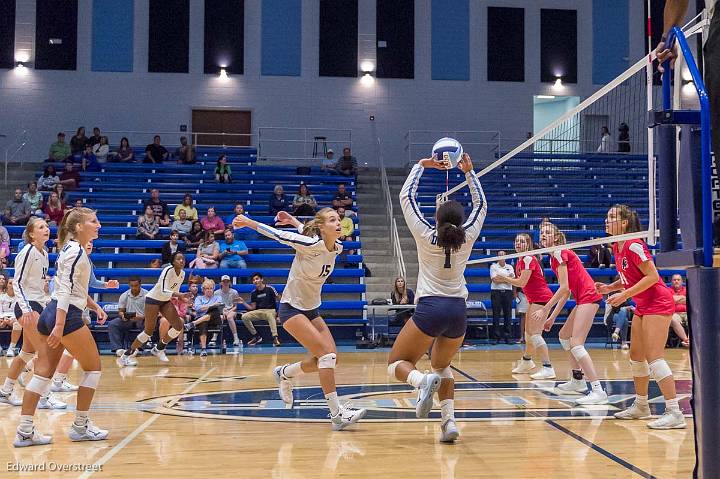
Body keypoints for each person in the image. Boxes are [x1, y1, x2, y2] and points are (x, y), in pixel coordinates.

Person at [232, 209, 367, 429]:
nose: (338, 223)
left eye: (338, 219)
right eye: (332, 220)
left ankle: (284, 373)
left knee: (331, 357)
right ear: (323, 227)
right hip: (291, 309)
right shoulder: (310, 244)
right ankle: (336, 414)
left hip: (312, 309)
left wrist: (292, 220)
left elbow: (306, 230)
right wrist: (248, 221)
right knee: (326, 357)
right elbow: (278, 235)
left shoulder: (338, 247)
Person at [387, 152, 486, 443]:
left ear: (438, 218)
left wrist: (420, 165)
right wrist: (469, 173)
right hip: (458, 311)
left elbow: (406, 198)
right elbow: (481, 205)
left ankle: (421, 382)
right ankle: (449, 423)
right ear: (460, 220)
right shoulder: (468, 236)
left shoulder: (425, 234)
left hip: (431, 307)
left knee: (396, 363)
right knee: (442, 366)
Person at [14, 208, 109, 447]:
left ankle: (25, 431)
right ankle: (80, 426)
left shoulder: (70, 248)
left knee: (43, 373)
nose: (98, 225)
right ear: (79, 227)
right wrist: (58, 325)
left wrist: (94, 305)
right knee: (93, 369)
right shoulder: (76, 250)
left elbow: (73, 287)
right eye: (93, 221)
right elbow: (65, 289)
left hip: (51, 311)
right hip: (64, 315)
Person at [598, 204, 686, 429]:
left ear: (624, 223)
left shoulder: (633, 244)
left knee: (654, 357)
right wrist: (610, 288)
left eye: (611, 217)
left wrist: (624, 295)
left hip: (658, 302)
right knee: (636, 357)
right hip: (643, 305)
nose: (606, 220)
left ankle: (674, 412)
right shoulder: (616, 246)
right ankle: (641, 405)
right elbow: (629, 277)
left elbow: (652, 276)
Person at [537, 223, 607, 405]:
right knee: (564, 336)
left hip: (589, 296)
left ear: (556, 237)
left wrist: (546, 309)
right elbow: (566, 292)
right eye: (541, 232)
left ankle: (598, 390)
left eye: (547, 232)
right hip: (581, 298)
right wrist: (552, 317)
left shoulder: (560, 252)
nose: (543, 235)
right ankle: (577, 381)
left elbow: (564, 288)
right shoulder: (553, 259)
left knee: (576, 344)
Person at [0, 218, 60, 410]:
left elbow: (37, 285)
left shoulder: (44, 253)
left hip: (38, 304)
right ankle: (44, 396)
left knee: (26, 353)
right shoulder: (27, 251)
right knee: (45, 354)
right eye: (41, 227)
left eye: (46, 226)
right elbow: (17, 282)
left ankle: (6, 391)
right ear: (31, 234)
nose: (46, 229)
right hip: (28, 307)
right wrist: (26, 310)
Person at [494, 233, 556, 379]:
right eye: (516, 241)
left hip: (541, 298)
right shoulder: (520, 259)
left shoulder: (528, 258)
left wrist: (503, 277)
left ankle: (548, 367)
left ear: (528, 244)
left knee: (535, 334)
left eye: (521, 241)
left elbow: (521, 282)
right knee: (528, 334)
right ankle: (527, 361)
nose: (518, 243)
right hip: (533, 299)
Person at [117, 252, 188, 366]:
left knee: (178, 326)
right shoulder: (168, 270)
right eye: (178, 259)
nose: (181, 261)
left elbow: (172, 292)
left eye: (183, 259)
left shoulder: (183, 274)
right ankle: (126, 355)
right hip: (153, 300)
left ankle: (158, 348)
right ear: (173, 262)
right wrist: (179, 295)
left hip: (165, 301)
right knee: (148, 332)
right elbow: (164, 289)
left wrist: (182, 298)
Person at [238, 272, 280, 346]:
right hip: (258, 312)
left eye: (257, 279)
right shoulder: (253, 293)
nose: (255, 281)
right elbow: (252, 308)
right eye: (254, 280)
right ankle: (256, 336)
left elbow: (280, 300)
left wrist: (279, 315)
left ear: (262, 279)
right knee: (244, 316)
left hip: (270, 311)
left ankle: (275, 338)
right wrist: (243, 302)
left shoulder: (270, 289)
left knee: (270, 315)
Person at [185, 278, 225, 357]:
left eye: (211, 288)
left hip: (214, 320)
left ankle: (192, 324)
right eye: (207, 288)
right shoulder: (199, 298)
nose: (209, 290)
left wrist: (206, 307)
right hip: (202, 320)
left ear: (213, 289)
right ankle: (203, 349)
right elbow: (197, 308)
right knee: (203, 322)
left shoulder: (218, 297)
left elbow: (219, 306)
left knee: (215, 311)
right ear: (203, 290)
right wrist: (212, 305)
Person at [107, 278, 147, 354]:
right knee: (113, 324)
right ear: (129, 285)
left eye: (136, 286)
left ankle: (139, 348)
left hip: (142, 319)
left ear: (140, 285)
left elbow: (150, 313)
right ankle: (117, 349)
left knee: (148, 324)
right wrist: (123, 316)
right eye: (132, 286)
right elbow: (121, 311)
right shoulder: (124, 295)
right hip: (129, 320)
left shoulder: (147, 295)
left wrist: (141, 317)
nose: (134, 288)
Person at [489, 251, 515, 344]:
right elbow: (495, 280)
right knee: (496, 315)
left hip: (508, 292)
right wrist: (507, 278)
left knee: (507, 315)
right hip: (496, 292)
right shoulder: (493, 266)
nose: (501, 256)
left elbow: (513, 280)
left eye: (503, 255)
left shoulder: (510, 267)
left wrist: (502, 278)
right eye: (499, 255)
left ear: (506, 256)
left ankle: (507, 336)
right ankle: (496, 337)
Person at [216, 275, 242, 347]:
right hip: (221, 310)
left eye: (227, 281)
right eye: (224, 281)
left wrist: (229, 311)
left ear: (229, 282)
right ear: (221, 283)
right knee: (220, 317)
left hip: (232, 310)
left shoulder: (234, 292)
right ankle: (214, 337)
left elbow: (235, 306)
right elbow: (217, 306)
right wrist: (223, 311)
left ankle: (236, 338)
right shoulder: (216, 293)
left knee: (230, 317)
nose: (225, 283)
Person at [667, 274, 689, 347]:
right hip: (674, 313)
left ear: (682, 281)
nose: (676, 281)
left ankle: (690, 340)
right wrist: (683, 298)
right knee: (673, 320)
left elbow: (690, 301)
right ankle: (686, 340)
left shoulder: (687, 290)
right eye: (674, 280)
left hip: (687, 313)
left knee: (693, 319)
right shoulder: (667, 290)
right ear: (671, 281)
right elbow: (669, 300)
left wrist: (675, 299)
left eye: (678, 280)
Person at [0, 275, 17, 355]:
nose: (12, 285)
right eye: (10, 283)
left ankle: (12, 348)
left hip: (14, 319)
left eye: (14, 284)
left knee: (18, 324)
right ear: (7, 285)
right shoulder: (1, 297)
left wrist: (12, 319)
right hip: (3, 317)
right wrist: (3, 319)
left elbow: (19, 312)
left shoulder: (19, 298)